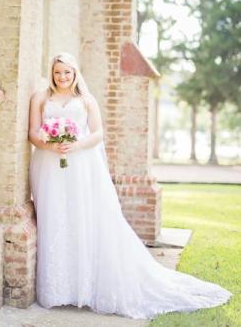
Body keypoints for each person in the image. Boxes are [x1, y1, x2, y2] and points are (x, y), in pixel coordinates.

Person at [28, 52, 232, 320]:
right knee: (55, 219)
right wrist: (50, 144)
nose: (62, 77)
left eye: (67, 72)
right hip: (49, 166)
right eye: (58, 73)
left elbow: (99, 133)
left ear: (75, 73)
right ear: (52, 73)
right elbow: (32, 133)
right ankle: (59, 289)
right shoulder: (41, 98)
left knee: (83, 219)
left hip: (80, 166)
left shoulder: (86, 100)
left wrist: (75, 145)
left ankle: (84, 286)